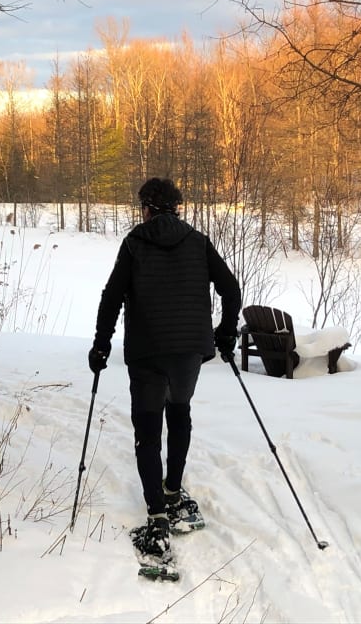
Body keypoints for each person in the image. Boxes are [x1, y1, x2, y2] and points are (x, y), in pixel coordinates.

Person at [89, 177, 241, 559]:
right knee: (179, 412)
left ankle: (157, 512)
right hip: (189, 352)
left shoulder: (135, 244)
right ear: (177, 208)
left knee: (147, 427)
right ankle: (173, 490)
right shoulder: (198, 242)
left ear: (146, 209)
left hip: (146, 353)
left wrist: (101, 343)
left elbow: (111, 298)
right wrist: (225, 334)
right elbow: (231, 289)